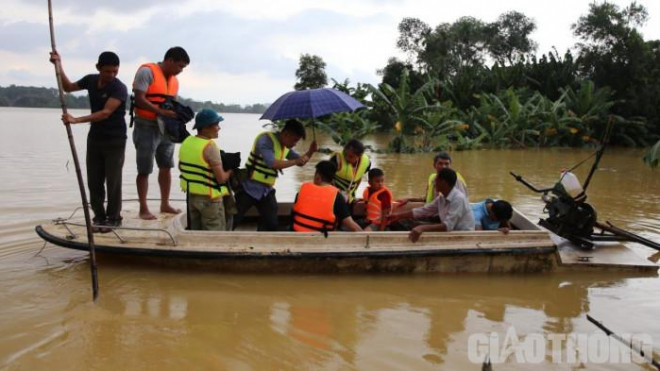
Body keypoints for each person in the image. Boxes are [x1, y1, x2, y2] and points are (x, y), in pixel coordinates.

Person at [49, 50, 128, 232]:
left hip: (115, 140)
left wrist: (76, 120)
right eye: (107, 71)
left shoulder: (119, 88)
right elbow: (68, 87)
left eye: (115, 71)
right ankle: (99, 217)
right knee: (94, 180)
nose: (111, 75)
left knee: (113, 180)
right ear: (98, 68)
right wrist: (58, 64)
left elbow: (105, 113)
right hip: (95, 138)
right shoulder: (91, 80)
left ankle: (114, 218)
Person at [132, 46, 190, 220]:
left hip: (165, 128)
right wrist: (160, 112)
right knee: (145, 168)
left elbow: (172, 103)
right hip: (146, 126)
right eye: (179, 66)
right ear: (170, 60)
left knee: (166, 166)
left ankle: (165, 203)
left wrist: (179, 115)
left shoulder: (174, 81)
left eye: (183, 68)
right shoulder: (146, 71)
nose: (180, 71)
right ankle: (143, 208)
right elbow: (140, 99)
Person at [233, 119, 317, 231]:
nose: (294, 144)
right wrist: (296, 161)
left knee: (271, 223)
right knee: (234, 218)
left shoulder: (286, 147)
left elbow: (301, 161)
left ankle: (262, 243)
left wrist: (311, 151)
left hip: (266, 190)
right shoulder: (265, 140)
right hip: (249, 187)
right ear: (286, 134)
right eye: (294, 140)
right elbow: (272, 163)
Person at [178, 109, 232, 231]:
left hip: (192, 197)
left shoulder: (187, 142)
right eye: (216, 125)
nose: (219, 128)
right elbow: (221, 179)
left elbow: (181, 167)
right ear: (206, 127)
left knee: (196, 233)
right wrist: (230, 171)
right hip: (210, 200)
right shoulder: (210, 146)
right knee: (215, 237)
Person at [389, 168, 475, 242]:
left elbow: (448, 226)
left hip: (461, 236)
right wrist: (398, 216)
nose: (434, 183)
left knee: (416, 227)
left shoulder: (458, 199)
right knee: (400, 222)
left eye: (436, 180)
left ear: (443, 182)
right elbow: (424, 210)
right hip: (449, 231)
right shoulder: (442, 198)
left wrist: (422, 228)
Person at [292, 161, 362, 233]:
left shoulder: (302, 191)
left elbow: (293, 214)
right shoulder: (337, 196)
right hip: (321, 240)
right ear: (332, 180)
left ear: (317, 177)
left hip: (297, 235)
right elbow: (351, 225)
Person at [398, 152, 468, 206]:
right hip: (433, 209)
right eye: (440, 163)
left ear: (450, 166)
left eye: (447, 164)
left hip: (446, 214)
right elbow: (426, 199)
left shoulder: (455, 179)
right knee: (402, 206)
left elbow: (460, 203)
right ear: (434, 165)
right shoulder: (433, 178)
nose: (444, 167)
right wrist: (409, 199)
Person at [329, 139, 371, 203]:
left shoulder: (367, 163)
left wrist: (352, 193)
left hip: (349, 198)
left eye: (351, 156)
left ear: (359, 156)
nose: (347, 158)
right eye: (345, 154)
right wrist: (338, 192)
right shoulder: (336, 159)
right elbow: (326, 177)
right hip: (332, 197)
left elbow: (359, 178)